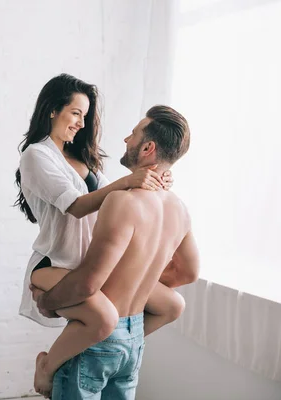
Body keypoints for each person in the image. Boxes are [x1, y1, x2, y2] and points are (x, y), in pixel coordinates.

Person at [16, 74, 186, 397]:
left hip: (87, 269)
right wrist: (130, 181)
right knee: (106, 319)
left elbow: (116, 199)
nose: (82, 123)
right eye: (76, 113)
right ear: (53, 110)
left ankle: (114, 348)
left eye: (86, 115)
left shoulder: (83, 160)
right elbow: (78, 206)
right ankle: (47, 367)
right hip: (55, 265)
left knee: (171, 304)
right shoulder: (36, 156)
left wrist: (157, 178)